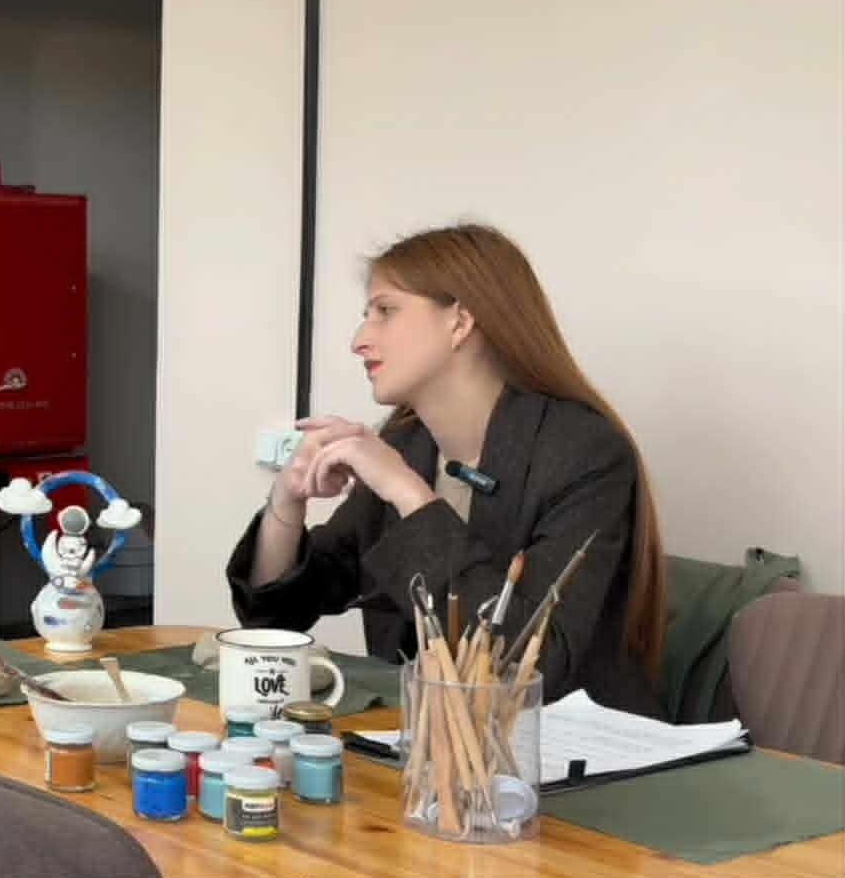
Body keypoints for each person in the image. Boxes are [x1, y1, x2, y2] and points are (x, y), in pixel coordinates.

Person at [225, 224, 667, 717]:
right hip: (429, 743)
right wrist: (287, 499)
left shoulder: (585, 453)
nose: (359, 340)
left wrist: (407, 492)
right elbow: (275, 616)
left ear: (459, 322)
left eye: (385, 311)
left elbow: (530, 663)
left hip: (568, 750)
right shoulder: (407, 444)